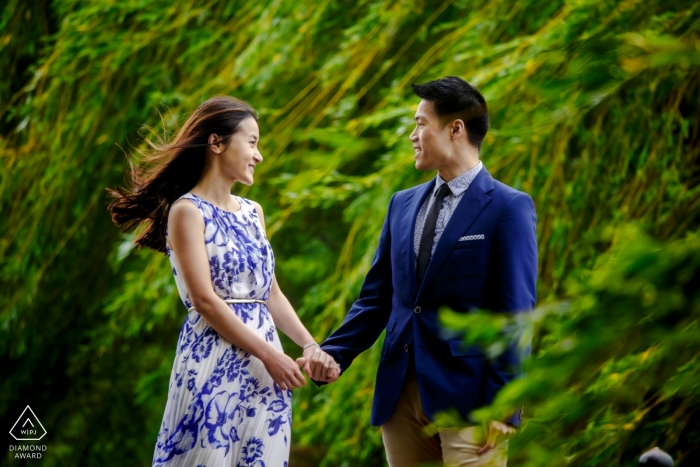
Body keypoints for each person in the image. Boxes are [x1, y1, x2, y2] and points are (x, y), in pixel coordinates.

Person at [304, 76, 538, 466]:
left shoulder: (508, 207)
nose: (412, 135)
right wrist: (333, 354)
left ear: (455, 128)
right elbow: (378, 298)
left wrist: (506, 404)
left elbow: (515, 311)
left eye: (420, 123)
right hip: (400, 398)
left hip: (472, 401)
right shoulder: (402, 204)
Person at [106, 96, 340, 467]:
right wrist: (270, 355)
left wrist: (309, 344)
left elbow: (271, 294)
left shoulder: (253, 212)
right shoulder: (187, 211)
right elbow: (205, 301)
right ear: (216, 143)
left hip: (266, 372)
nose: (258, 155)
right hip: (214, 363)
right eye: (252, 142)